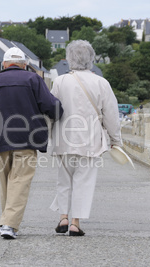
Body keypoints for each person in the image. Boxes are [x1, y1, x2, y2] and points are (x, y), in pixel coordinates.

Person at [0, 47, 63, 239]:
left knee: (6, 184)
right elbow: (51, 106)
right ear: (25, 65)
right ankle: (8, 224)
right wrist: (59, 112)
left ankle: (7, 222)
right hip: (26, 140)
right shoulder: (33, 80)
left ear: (4, 65)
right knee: (19, 183)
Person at [49, 40, 122, 236]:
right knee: (84, 181)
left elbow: (50, 111)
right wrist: (116, 140)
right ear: (91, 59)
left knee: (64, 180)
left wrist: (48, 135)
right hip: (90, 141)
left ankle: (63, 217)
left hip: (63, 139)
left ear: (69, 58)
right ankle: (75, 223)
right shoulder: (101, 83)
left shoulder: (60, 81)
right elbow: (111, 115)